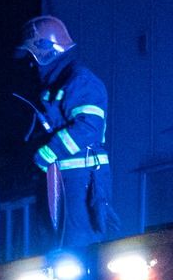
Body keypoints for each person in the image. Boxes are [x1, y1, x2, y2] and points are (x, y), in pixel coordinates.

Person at [13, 15, 117, 246]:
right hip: (58, 180)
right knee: (55, 250)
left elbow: (89, 127)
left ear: (46, 50)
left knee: (78, 250)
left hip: (80, 182)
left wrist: (49, 152)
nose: (29, 64)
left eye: (31, 56)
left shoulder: (80, 81)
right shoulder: (54, 86)